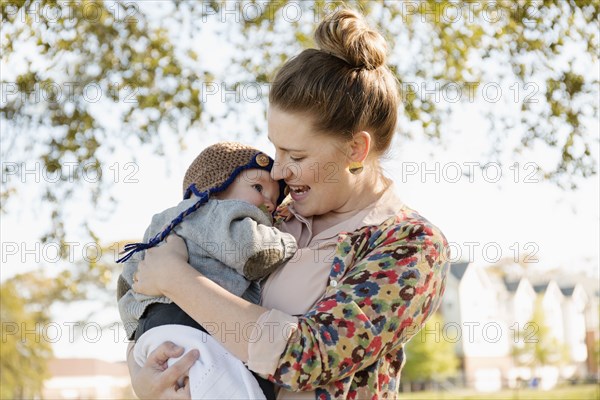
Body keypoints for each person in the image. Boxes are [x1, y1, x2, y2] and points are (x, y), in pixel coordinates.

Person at [127, 8, 450, 399]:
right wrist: (141, 375)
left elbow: (309, 356)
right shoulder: (268, 217)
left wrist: (178, 280)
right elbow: (154, 296)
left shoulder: (410, 245)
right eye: (275, 150)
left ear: (356, 150)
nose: (278, 172)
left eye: (296, 157)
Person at [117, 142, 298, 399]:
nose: (268, 203)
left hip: (152, 336)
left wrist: (136, 333)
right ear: (216, 184)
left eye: (274, 198)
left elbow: (125, 284)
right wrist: (288, 241)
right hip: (194, 327)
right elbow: (253, 252)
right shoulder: (217, 211)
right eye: (258, 188)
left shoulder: (160, 221)